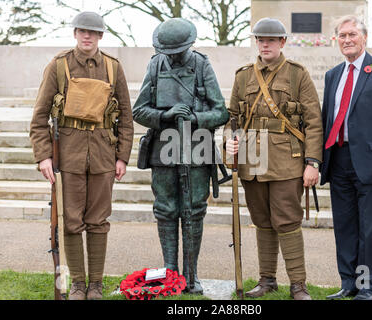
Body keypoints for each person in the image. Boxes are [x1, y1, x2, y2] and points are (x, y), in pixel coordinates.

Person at [30, 11, 134, 300]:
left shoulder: (114, 68)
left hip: (103, 153)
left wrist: (122, 156)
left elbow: (126, 116)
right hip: (68, 154)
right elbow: (39, 117)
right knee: (71, 220)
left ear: (101, 36)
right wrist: (44, 157)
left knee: (98, 221)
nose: (87, 36)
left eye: (93, 32)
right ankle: (77, 283)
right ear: (75, 33)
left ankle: (96, 285)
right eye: (82, 31)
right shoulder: (58, 66)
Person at [224, 17, 323, 300]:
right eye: (260, 40)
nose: (264, 44)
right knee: (262, 221)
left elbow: (314, 122)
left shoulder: (297, 74)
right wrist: (228, 143)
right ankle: (267, 280)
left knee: (288, 221)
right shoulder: (243, 75)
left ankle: (298, 285)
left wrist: (312, 162)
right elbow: (232, 118)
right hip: (251, 162)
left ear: (282, 43)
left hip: (286, 161)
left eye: (270, 40)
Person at [132, 18, 229, 294]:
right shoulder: (155, 65)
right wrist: (165, 115)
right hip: (163, 149)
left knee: (193, 210)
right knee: (165, 210)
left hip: (196, 147)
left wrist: (195, 117)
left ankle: (192, 274)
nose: (172, 56)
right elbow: (139, 110)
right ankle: (170, 273)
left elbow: (221, 111)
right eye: (168, 51)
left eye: (176, 51)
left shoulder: (201, 65)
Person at [321, 15, 372, 300]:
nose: (347, 40)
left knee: (370, 230)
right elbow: (327, 119)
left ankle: (368, 287)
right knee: (344, 227)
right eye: (342, 36)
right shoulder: (333, 75)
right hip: (339, 161)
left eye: (352, 35)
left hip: (371, 165)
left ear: (364, 38)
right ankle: (349, 283)